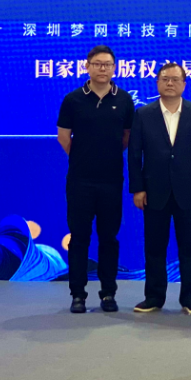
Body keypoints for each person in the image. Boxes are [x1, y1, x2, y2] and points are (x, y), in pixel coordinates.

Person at [128, 63, 191, 315]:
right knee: (154, 247)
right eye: (165, 79)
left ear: (184, 84)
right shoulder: (144, 114)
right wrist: (138, 189)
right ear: (157, 83)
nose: (170, 83)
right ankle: (154, 297)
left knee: (190, 246)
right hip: (154, 191)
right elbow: (135, 154)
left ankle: (190, 298)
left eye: (175, 79)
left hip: (189, 191)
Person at [56, 45, 134, 314]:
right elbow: (63, 136)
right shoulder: (73, 99)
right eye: (98, 64)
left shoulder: (124, 99)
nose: (103, 68)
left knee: (109, 238)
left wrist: (106, 156)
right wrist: (83, 156)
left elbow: (126, 136)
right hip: (80, 180)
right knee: (79, 237)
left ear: (115, 68)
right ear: (87, 66)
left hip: (111, 180)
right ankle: (78, 294)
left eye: (108, 64)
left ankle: (108, 293)